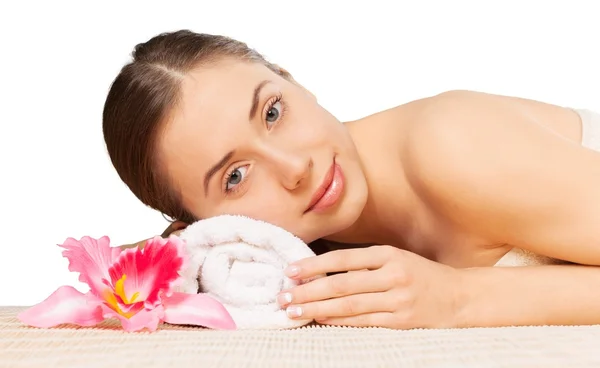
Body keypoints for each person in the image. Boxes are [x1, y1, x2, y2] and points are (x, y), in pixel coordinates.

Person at [104, 30, 600, 329]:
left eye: (273, 111)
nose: (295, 168)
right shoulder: (282, 261)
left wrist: (458, 298)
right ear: (206, 225)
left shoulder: (453, 144)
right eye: (235, 176)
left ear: (293, 80)